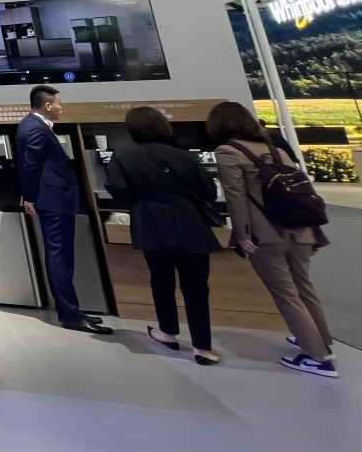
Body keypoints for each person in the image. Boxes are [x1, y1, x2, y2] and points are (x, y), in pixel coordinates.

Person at [207, 101, 337, 377]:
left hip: (265, 234)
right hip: (301, 229)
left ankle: (317, 358)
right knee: (304, 288)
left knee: (285, 294)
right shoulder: (277, 150)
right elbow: (303, 190)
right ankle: (323, 344)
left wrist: (242, 235)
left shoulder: (228, 151)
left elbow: (235, 196)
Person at [104, 107, 223, 365]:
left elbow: (116, 188)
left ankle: (167, 333)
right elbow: (208, 192)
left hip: (149, 223)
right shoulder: (184, 156)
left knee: (160, 281)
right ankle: (202, 348)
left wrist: (140, 201)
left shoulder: (123, 155)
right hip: (188, 222)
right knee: (196, 286)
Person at [17, 85, 112, 334]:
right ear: (47, 105)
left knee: (60, 256)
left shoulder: (34, 126)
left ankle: (73, 310)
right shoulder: (34, 128)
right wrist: (30, 197)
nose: (61, 107)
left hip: (53, 199)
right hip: (53, 200)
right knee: (60, 257)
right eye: (59, 103)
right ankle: (70, 314)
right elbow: (30, 166)